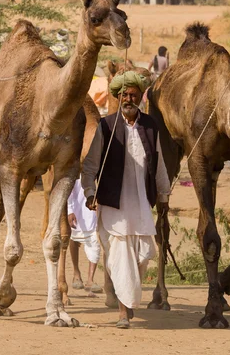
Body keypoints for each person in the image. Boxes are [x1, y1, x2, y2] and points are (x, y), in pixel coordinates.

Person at [81, 70, 171, 329]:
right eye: (124, 95)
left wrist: (163, 194)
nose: (129, 99)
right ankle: (122, 311)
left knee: (144, 254)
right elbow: (90, 165)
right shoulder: (106, 126)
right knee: (121, 256)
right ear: (118, 97)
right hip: (113, 204)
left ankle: (127, 298)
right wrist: (89, 192)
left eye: (133, 94)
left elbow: (160, 163)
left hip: (142, 201)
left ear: (141, 96)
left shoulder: (150, 126)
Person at [67, 177, 102, 295]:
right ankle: (76, 274)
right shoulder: (75, 168)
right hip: (77, 207)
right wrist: (69, 210)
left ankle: (90, 280)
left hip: (94, 208)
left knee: (95, 242)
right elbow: (69, 190)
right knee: (74, 238)